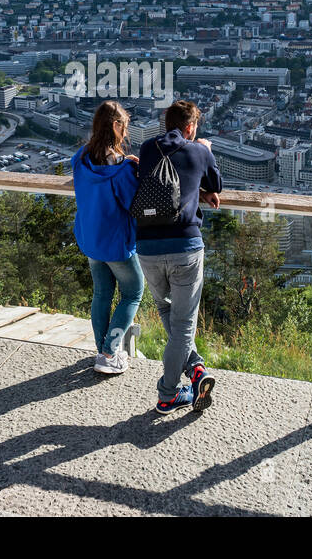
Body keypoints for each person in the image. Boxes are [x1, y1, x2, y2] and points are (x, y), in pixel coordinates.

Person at [134, 99, 223, 414]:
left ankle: (196, 369)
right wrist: (205, 149)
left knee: (167, 310)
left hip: (146, 247)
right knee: (184, 323)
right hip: (185, 247)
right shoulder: (198, 151)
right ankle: (168, 394)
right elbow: (216, 185)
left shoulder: (146, 149)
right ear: (190, 127)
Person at [71, 101, 145, 375]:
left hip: (90, 237)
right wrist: (133, 169)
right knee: (133, 292)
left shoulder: (80, 159)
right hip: (116, 242)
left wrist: (124, 162)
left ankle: (101, 349)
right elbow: (133, 203)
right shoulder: (121, 170)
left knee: (102, 293)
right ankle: (109, 352)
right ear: (115, 126)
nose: (125, 132)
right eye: (124, 126)